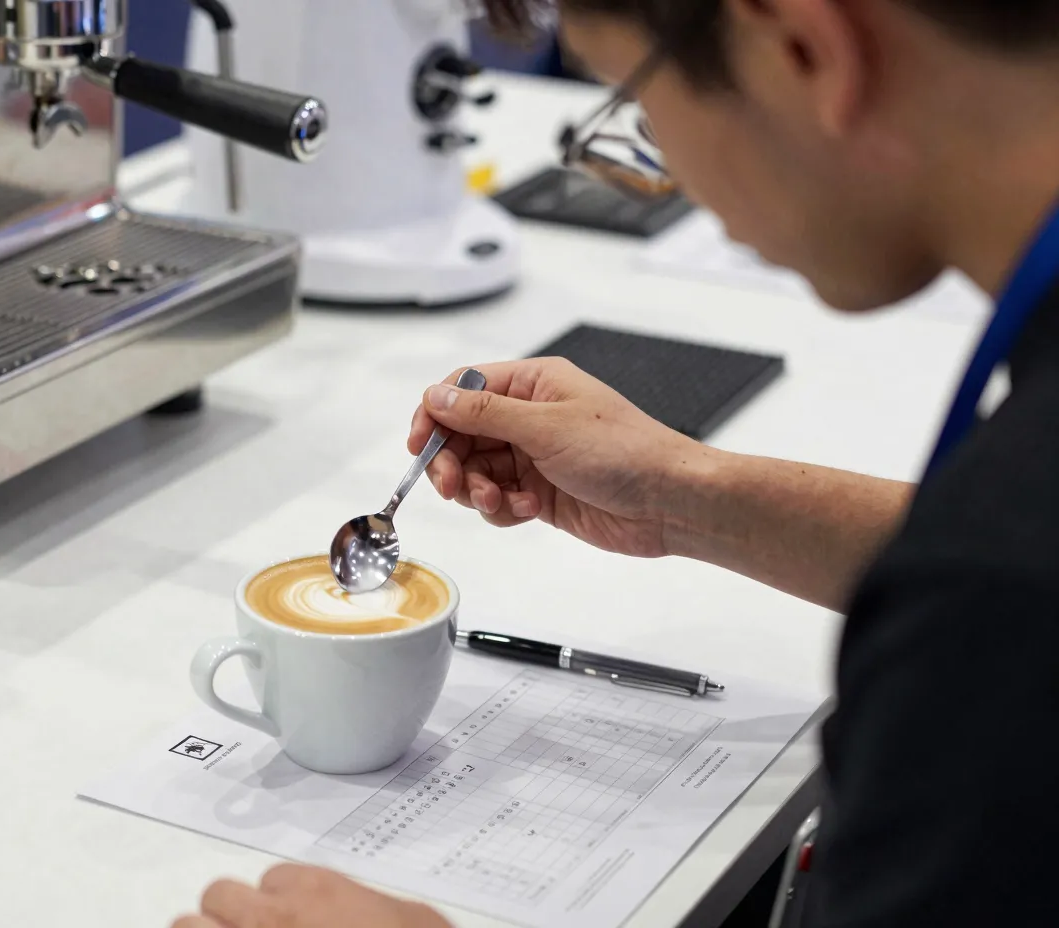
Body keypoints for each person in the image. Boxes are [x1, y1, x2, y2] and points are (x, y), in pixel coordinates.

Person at [171, 0, 1059, 926]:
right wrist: (684, 497)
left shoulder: (1000, 599)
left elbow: (1003, 581)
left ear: (805, 51)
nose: (657, 175)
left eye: (632, 102)